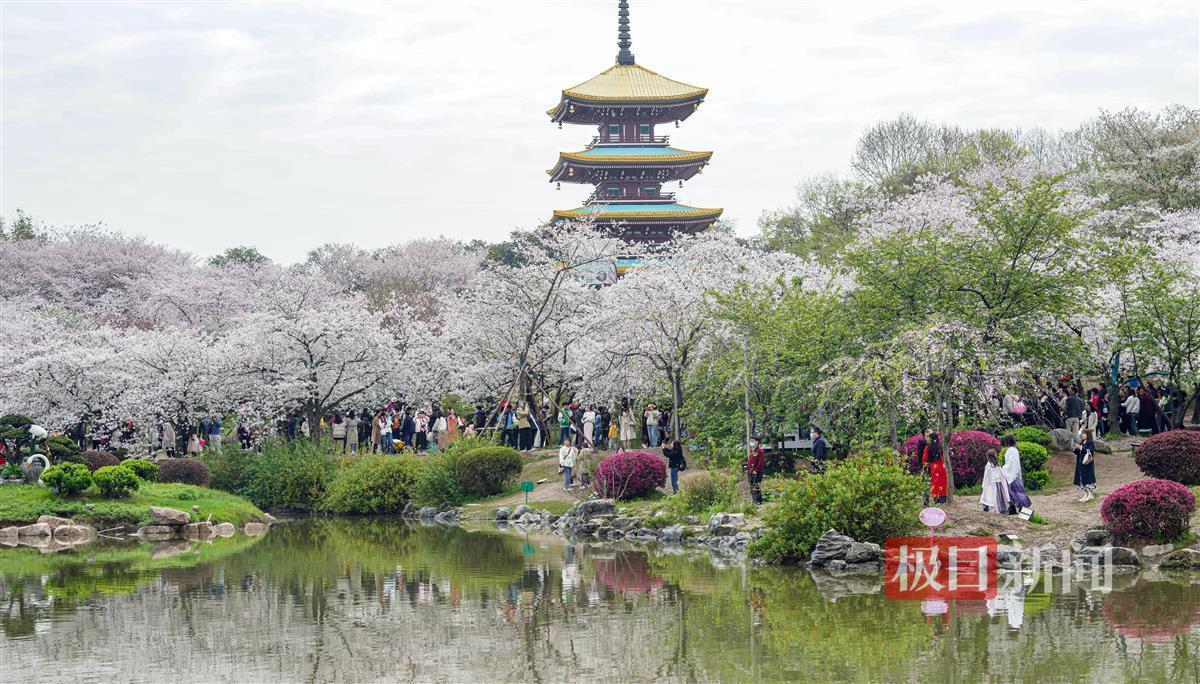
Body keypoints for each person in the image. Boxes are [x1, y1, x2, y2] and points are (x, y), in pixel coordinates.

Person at [1000, 435, 1032, 512]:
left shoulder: (1011, 450)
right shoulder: (1014, 450)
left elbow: (1011, 463)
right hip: (1015, 473)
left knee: (1013, 492)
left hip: (1013, 474)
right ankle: (1018, 507)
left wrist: (1003, 468)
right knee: (1017, 492)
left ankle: (1016, 507)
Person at [980, 449, 1012, 514]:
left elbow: (986, 477)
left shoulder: (988, 465)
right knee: (998, 497)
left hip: (991, 484)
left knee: (990, 497)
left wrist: (984, 485)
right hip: (998, 484)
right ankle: (999, 508)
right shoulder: (998, 465)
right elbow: (1001, 475)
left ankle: (991, 508)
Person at [923, 431, 947, 504]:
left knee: (934, 482)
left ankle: (935, 498)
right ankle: (942, 498)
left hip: (933, 466)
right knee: (942, 482)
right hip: (941, 466)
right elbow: (944, 457)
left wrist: (924, 466)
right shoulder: (941, 446)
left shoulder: (928, 447)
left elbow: (924, 458)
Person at [1073, 429, 1097, 502]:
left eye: (1084, 434)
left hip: (1087, 464)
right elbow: (1079, 452)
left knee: (1088, 478)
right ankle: (1086, 494)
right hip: (1080, 464)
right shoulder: (1082, 442)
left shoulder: (1090, 443)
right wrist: (1075, 448)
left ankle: (1090, 494)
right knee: (1082, 478)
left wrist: (1080, 447)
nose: (1082, 435)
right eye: (1082, 434)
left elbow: (1089, 451)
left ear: (1088, 435)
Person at [746, 437, 766, 505]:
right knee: (751, 486)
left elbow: (761, 462)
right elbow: (750, 461)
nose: (751, 442)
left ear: (757, 442)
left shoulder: (760, 451)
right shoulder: (752, 450)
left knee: (756, 486)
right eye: (750, 441)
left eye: (753, 441)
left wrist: (756, 470)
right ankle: (754, 500)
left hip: (756, 472)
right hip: (750, 472)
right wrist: (748, 469)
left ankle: (758, 501)